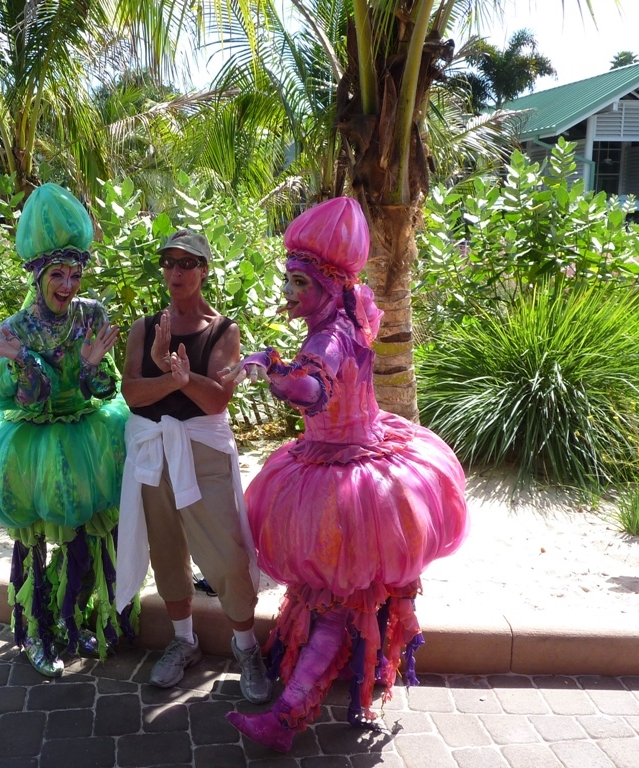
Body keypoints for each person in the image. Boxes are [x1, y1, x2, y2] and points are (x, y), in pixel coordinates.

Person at [221, 197, 469, 752]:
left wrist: (272, 368)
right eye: (289, 280)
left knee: (337, 600)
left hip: (349, 477)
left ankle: (287, 718)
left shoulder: (327, 337)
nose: (290, 293)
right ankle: (361, 686)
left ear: (329, 287)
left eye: (301, 283)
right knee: (356, 593)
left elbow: (313, 390)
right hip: (353, 462)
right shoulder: (347, 317)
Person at [0, 183, 137, 677]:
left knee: (87, 537)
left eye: (75, 274)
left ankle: (72, 618)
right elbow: (22, 399)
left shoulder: (92, 315)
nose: (68, 285)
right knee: (34, 543)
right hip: (33, 444)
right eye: (57, 274)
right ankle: (35, 632)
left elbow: (104, 391)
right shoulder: (15, 328)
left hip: (87, 435)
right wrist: (23, 360)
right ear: (38, 275)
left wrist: (91, 367)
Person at [116, 230, 271, 704]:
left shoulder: (223, 330)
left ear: (204, 270)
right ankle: (184, 641)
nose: (176, 271)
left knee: (226, 554)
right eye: (169, 263)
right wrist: (172, 375)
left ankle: (246, 646)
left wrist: (176, 376)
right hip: (153, 454)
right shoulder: (145, 328)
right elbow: (131, 393)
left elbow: (217, 400)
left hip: (202, 453)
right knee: (166, 551)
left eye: (187, 263)